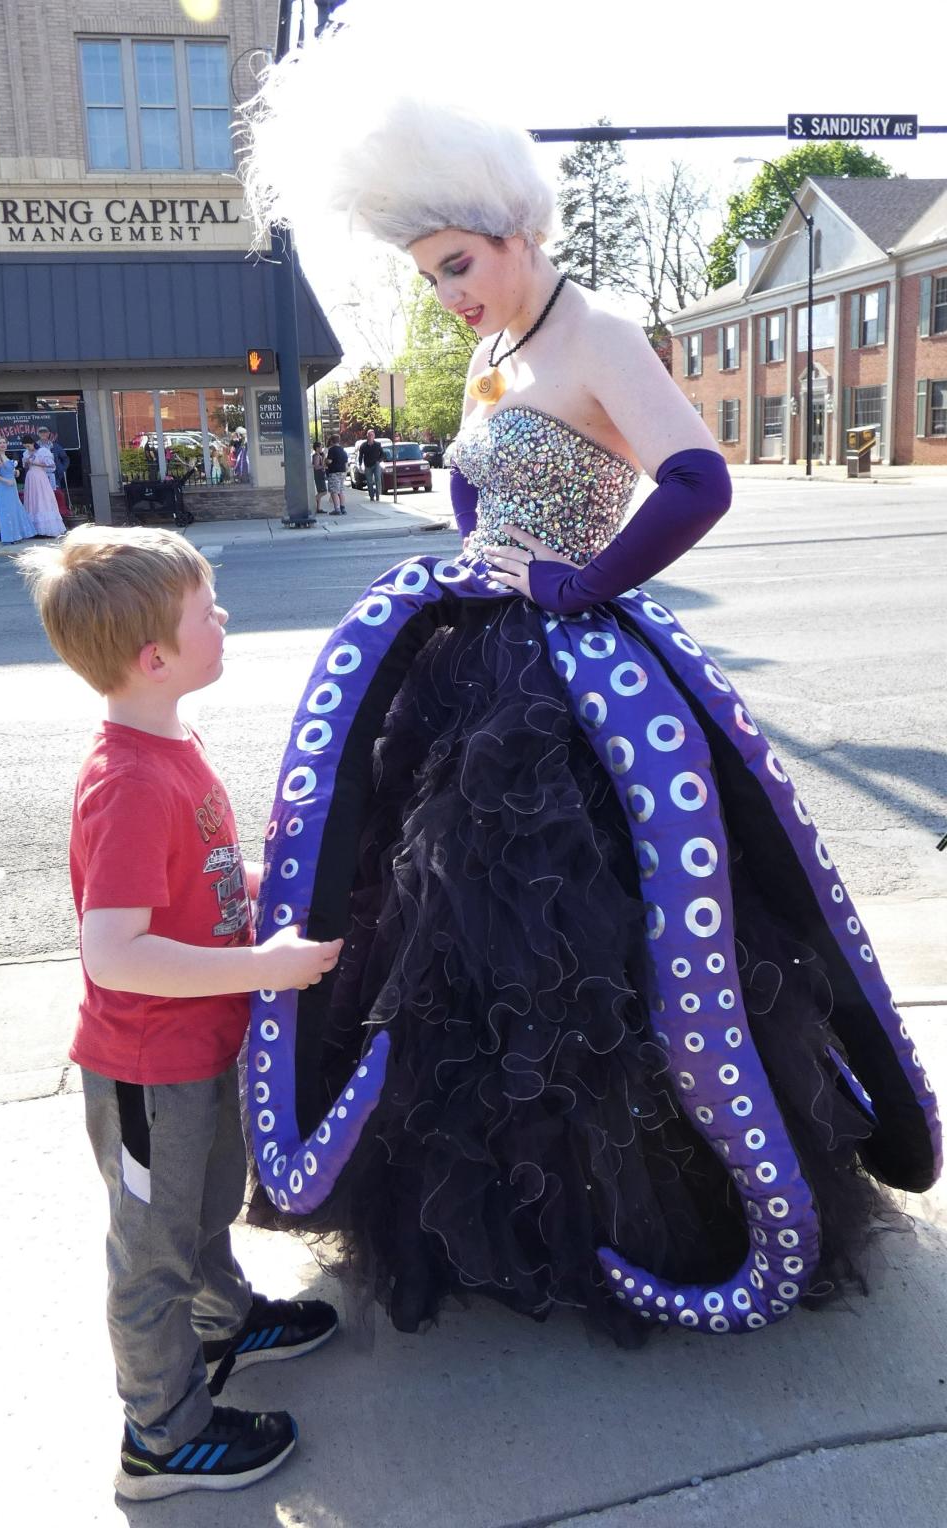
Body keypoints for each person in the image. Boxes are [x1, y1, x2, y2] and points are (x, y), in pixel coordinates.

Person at [239, 83, 939, 1342]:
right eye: (431, 274)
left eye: (459, 265)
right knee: (443, 948)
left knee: (585, 942)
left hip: (564, 686)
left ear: (514, 232)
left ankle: (645, 1213)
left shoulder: (600, 335)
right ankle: (499, 1212)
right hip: (477, 663)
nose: (451, 293)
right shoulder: (496, 356)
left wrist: (583, 578)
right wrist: (477, 556)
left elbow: (696, 478)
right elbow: (473, 487)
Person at [17, 526, 345, 1499]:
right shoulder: (125, 783)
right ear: (155, 657)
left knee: (205, 1212)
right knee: (151, 1256)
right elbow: (114, 947)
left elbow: (187, 889)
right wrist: (262, 964)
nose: (225, 617)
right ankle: (160, 1436)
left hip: (197, 1052)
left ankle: (222, 1318)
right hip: (146, 1078)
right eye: (208, 609)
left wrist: (254, 885)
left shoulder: (170, 745)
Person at [0, 435, 36, 543]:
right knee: (6, 511)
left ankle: (16, 535)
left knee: (14, 510)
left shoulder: (5, 456)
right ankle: (8, 537)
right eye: (0, 443)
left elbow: (7, 471)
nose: (2, 445)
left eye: (4, 443)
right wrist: (5, 481)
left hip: (12, 487)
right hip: (3, 487)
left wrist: (16, 472)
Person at [20, 434, 66, 537]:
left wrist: (35, 463)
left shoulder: (42, 451)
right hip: (31, 477)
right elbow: (25, 466)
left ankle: (47, 528)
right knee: (33, 500)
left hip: (40, 476)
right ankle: (34, 529)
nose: (27, 448)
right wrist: (27, 463)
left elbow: (51, 465)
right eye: (25, 446)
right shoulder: (26, 453)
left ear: (32, 443)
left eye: (28, 446)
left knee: (42, 498)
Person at [325, 433, 348, 515]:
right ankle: (343, 508)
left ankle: (337, 509)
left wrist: (325, 461)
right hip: (342, 472)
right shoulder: (342, 450)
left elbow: (329, 461)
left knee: (334, 491)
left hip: (334, 472)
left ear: (331, 441)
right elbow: (346, 463)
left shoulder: (332, 450)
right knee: (341, 490)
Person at [358, 428, 383, 501]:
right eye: (369, 435)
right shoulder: (363, 445)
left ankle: (378, 495)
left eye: (372, 435)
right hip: (367, 465)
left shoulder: (377, 444)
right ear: (367, 436)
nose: (371, 436)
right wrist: (360, 464)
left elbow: (382, 454)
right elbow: (360, 455)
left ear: (374, 436)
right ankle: (371, 496)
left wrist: (379, 460)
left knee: (378, 479)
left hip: (376, 464)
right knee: (369, 481)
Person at [312, 441, 330, 513]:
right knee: (324, 492)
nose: (321, 448)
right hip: (318, 475)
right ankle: (313, 500)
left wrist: (323, 458)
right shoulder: (316, 456)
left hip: (320, 474)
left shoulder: (319, 455)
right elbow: (316, 467)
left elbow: (321, 464)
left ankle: (318, 508)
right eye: (320, 447)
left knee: (320, 491)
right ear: (317, 448)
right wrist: (324, 466)